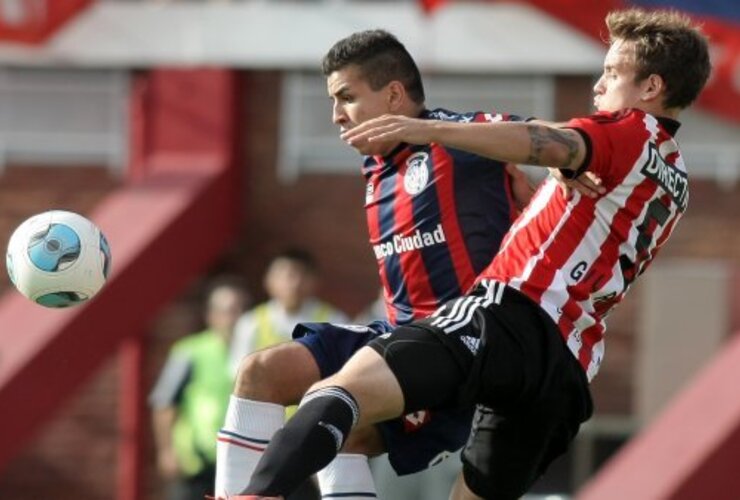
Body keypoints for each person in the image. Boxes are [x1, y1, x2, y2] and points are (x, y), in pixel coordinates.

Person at [234, 8, 711, 500]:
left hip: (512, 314)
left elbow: (544, 142)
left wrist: (426, 130)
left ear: (651, 87)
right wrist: (537, 198)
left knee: (336, 392)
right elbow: (590, 226)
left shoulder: (624, 129)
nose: (598, 85)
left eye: (612, 73)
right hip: (569, 367)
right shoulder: (674, 178)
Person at [214, 29, 539, 499]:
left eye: (346, 97)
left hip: (460, 356)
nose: (335, 115)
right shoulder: (376, 166)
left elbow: (552, 143)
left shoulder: (463, 139)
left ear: (393, 95)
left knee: (335, 421)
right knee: (261, 372)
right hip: (394, 339)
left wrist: (547, 185)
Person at [149, 277, 250, 500]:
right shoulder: (189, 351)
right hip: (196, 460)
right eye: (227, 310)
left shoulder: (255, 353)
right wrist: (166, 451)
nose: (233, 318)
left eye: (240, 310)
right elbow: (164, 403)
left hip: (240, 462)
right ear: (211, 315)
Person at [229, 248, 348, 376]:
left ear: (314, 281)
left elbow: (345, 369)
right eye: (286, 276)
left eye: (301, 275)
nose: (294, 284)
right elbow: (238, 370)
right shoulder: (251, 322)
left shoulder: (334, 321)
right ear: (268, 280)